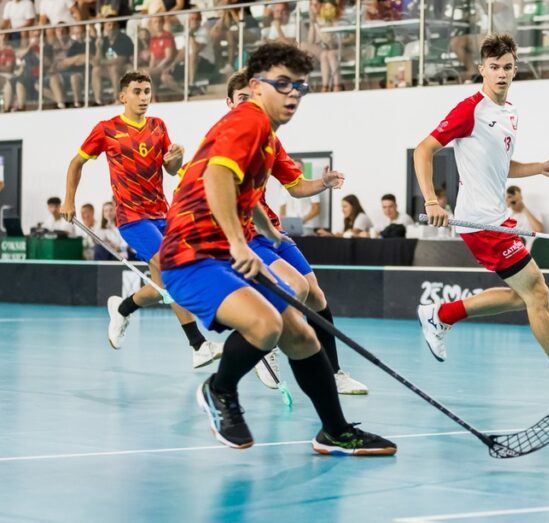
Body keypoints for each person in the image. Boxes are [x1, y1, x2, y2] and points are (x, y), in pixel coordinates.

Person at [157, 44, 391, 452]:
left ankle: (335, 431)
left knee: (301, 334)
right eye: (281, 84)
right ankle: (219, 390)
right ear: (255, 86)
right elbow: (217, 179)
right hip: (193, 253)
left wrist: (268, 230)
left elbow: (247, 191)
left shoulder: (266, 134)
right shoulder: (247, 121)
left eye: (299, 86)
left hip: (228, 249)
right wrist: (238, 243)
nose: (293, 94)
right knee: (267, 325)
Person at [414, 33, 549, 400]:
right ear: (481, 70)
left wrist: (540, 167)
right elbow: (423, 150)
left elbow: (500, 168)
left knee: (522, 296)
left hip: (499, 218)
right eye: (493, 68)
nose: (501, 74)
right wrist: (431, 201)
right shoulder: (469, 110)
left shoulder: (510, 113)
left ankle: (441, 315)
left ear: (515, 69)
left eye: (507, 67)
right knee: (537, 292)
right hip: (479, 220)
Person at [60, 71, 222, 368]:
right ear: (123, 96)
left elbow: (171, 170)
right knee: (171, 266)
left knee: (164, 286)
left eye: (147, 91)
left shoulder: (158, 126)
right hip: (132, 217)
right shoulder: (106, 129)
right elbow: (76, 163)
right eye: (137, 91)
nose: (144, 97)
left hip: (163, 212)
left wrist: (176, 155)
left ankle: (122, 308)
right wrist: (69, 198)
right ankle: (199, 343)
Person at [224, 71, 369, 396]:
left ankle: (334, 372)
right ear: (230, 102)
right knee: (297, 288)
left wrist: (324, 183)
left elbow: (296, 186)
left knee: (315, 295)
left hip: (268, 228)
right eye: (242, 99)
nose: (249, 105)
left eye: (254, 98)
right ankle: (261, 342)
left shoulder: (270, 139)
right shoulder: (224, 140)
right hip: (241, 233)